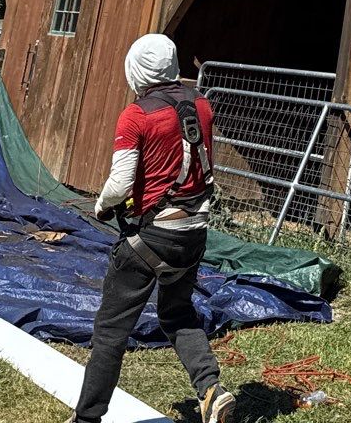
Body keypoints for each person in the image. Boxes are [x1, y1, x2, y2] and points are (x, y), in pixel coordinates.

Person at [75, 34, 234, 423]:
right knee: (177, 314)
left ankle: (86, 418)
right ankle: (211, 390)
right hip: (193, 233)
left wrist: (101, 206)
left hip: (152, 237)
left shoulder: (137, 115)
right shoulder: (202, 106)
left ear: (136, 68)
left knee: (111, 332)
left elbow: (121, 182)